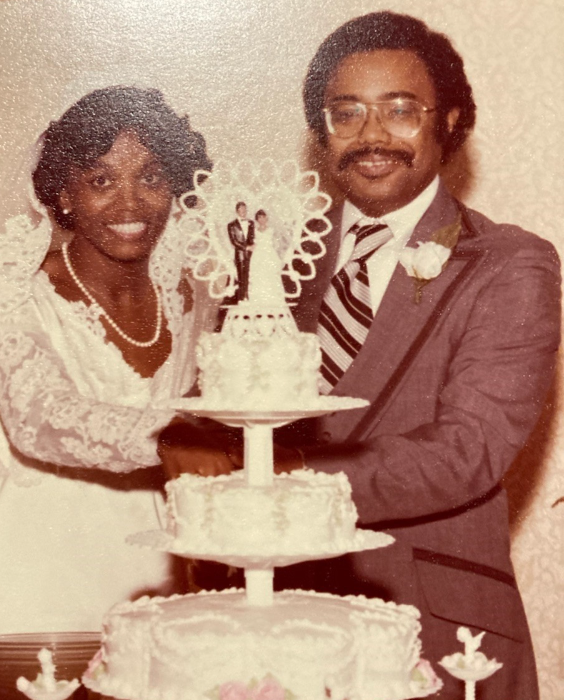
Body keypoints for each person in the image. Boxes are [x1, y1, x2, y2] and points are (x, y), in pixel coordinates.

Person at [159, 12, 561, 700]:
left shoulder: (507, 265)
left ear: (450, 122)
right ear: (321, 131)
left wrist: (277, 483)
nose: (371, 137)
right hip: (270, 622)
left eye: (400, 111)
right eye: (345, 114)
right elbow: (226, 413)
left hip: (433, 631)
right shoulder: (271, 258)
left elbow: (467, 451)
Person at [0, 86, 212, 636]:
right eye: (102, 181)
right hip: (41, 568)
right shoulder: (15, 293)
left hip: (161, 561)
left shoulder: (188, 294)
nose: (130, 205)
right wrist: (172, 437)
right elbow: (40, 418)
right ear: (63, 194)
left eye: (151, 178)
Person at [247, 209, 285, 305]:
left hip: (269, 253)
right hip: (258, 254)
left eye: (263, 217)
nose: (261, 219)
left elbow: (277, 243)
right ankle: (258, 299)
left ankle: (273, 299)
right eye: (259, 217)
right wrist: (250, 247)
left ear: (266, 218)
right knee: (258, 274)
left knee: (270, 273)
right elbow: (252, 242)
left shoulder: (271, 230)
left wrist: (275, 253)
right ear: (257, 219)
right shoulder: (254, 230)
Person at [227, 202, 255, 301]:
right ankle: (242, 298)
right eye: (241, 209)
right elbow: (233, 241)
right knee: (242, 276)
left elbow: (253, 237)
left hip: (253, 253)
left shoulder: (251, 223)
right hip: (240, 254)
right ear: (237, 211)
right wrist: (246, 248)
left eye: (245, 209)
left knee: (251, 275)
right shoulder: (231, 225)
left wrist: (254, 245)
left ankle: (251, 297)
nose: (243, 211)